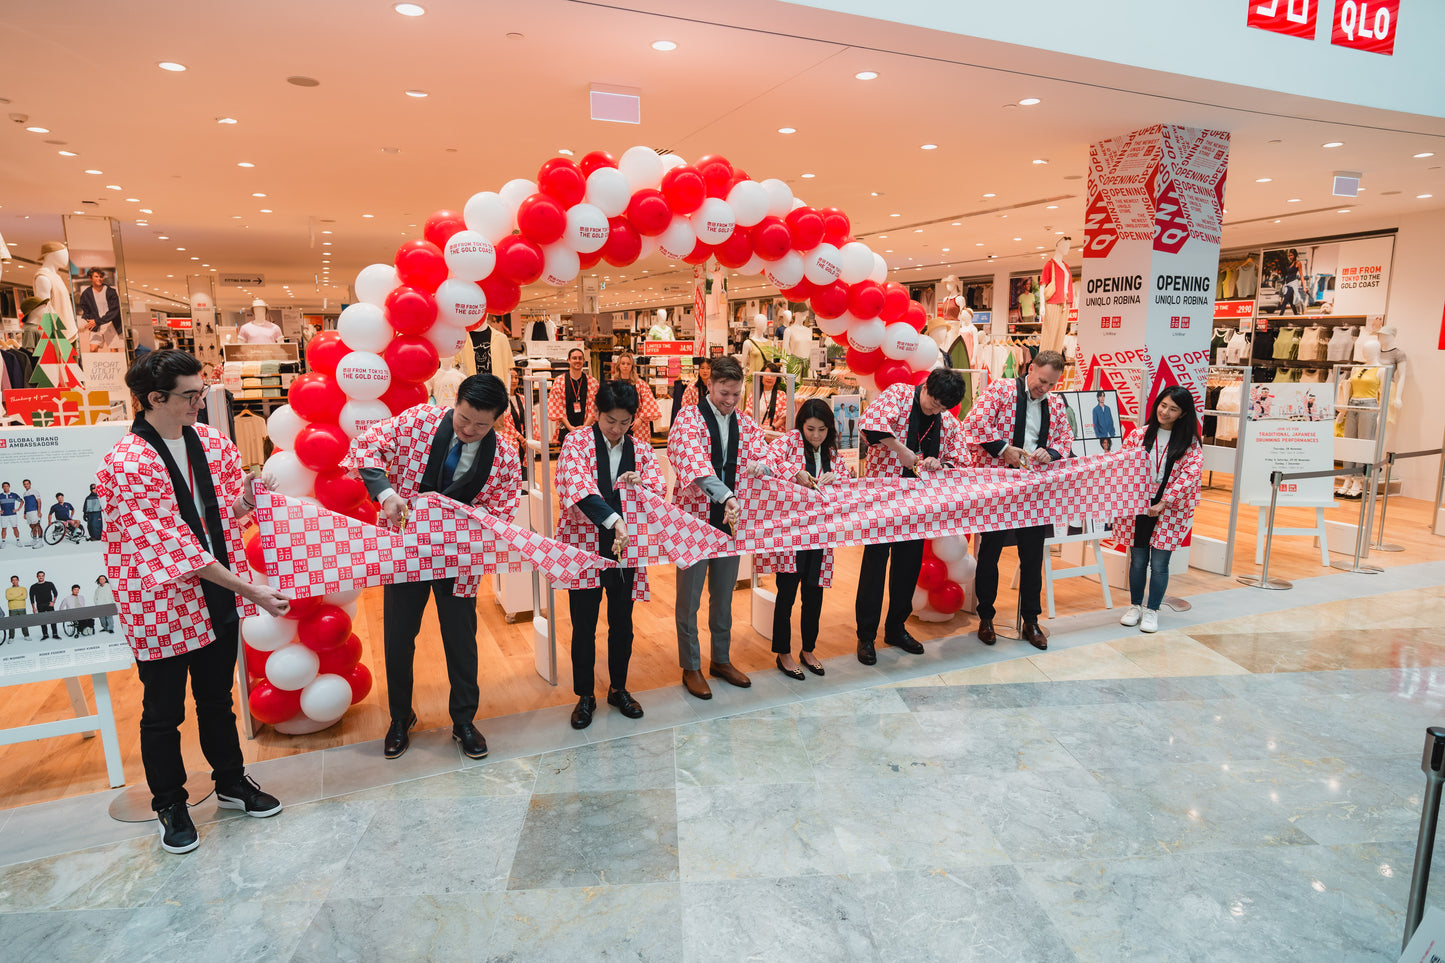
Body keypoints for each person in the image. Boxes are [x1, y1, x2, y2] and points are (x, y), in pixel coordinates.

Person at [96, 350, 292, 854]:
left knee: (216, 699)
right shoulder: (127, 463)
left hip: (216, 594)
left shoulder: (211, 441)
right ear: (153, 399)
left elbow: (225, 514)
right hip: (160, 603)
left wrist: (249, 499)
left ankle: (230, 780)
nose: (199, 403)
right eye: (190, 395)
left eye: (200, 393)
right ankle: (170, 803)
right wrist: (252, 591)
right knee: (162, 710)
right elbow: (175, 546)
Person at [351, 373, 520, 761]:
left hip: (459, 557)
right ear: (454, 402)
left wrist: (474, 521)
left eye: (482, 424)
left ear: (497, 420)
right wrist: (386, 493)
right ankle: (400, 717)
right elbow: (365, 447)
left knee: (461, 639)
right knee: (398, 637)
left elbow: (504, 510)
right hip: (406, 549)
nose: (469, 430)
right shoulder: (418, 420)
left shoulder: (507, 456)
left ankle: (464, 720)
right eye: (463, 419)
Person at [555, 380, 666, 729]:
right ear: (596, 413)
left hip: (626, 550)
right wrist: (614, 517)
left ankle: (619, 687)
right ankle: (585, 695)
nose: (617, 429)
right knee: (583, 624)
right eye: (609, 421)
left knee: (622, 623)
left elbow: (657, 490)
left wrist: (640, 486)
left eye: (624, 422)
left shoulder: (642, 449)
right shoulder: (576, 442)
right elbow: (576, 488)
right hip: (585, 545)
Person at [667, 356, 770, 700]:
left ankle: (721, 659)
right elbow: (692, 462)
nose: (729, 400)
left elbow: (764, 454)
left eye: (736, 394)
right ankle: (691, 665)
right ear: (709, 385)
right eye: (724, 392)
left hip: (730, 522)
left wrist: (771, 468)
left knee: (724, 597)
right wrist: (725, 495)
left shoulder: (744, 421)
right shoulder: (688, 418)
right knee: (689, 600)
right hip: (695, 521)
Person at [961, 350, 1074, 651]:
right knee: (990, 554)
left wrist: (1050, 453)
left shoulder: (1056, 403)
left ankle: (1031, 620)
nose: (1045, 389)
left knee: (1032, 556)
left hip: (1035, 491)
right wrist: (1002, 449)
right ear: (1031, 367)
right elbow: (974, 424)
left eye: (1052, 384)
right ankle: (986, 617)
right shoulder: (1001, 389)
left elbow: (1065, 440)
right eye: (1042, 381)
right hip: (998, 487)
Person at [854, 369, 969, 664]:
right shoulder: (898, 395)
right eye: (933, 401)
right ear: (926, 386)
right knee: (874, 568)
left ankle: (896, 628)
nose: (935, 409)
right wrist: (901, 449)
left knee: (907, 569)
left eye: (943, 407)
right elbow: (869, 426)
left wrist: (940, 462)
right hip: (883, 499)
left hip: (918, 506)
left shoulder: (947, 421)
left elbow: (961, 460)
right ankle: (866, 636)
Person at [763, 399, 850, 679]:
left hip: (822, 534)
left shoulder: (831, 452)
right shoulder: (789, 441)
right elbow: (766, 459)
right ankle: (783, 652)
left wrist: (836, 478)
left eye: (822, 430)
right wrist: (793, 472)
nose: (815, 435)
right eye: (810, 429)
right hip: (792, 533)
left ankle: (809, 649)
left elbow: (848, 479)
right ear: (801, 425)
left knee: (814, 594)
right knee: (786, 593)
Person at [1114, 387, 1203, 634]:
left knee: (1160, 563)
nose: (1165, 412)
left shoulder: (1190, 443)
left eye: (1173, 409)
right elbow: (1125, 466)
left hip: (1171, 508)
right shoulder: (1138, 435)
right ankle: (1135, 607)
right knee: (1138, 560)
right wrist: (1138, 499)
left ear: (1183, 414)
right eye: (1163, 405)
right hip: (1139, 505)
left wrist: (1163, 502)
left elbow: (1190, 475)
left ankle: (1152, 610)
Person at [546, 347, 597, 446]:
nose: (577, 361)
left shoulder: (593, 382)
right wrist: (570, 427)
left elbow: (594, 408)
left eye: (580, 358)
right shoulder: (559, 381)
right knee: (566, 460)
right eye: (574, 358)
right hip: (565, 428)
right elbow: (557, 408)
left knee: (586, 460)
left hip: (587, 430)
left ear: (583, 361)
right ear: (568, 360)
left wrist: (584, 427)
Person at [612, 350, 660, 443]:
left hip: (637, 426)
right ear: (619, 366)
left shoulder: (641, 384)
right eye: (623, 363)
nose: (625, 366)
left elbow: (650, 403)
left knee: (638, 453)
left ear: (632, 366)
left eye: (628, 364)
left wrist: (641, 419)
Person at [77, 267, 123, 351]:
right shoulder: (86, 294)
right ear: (90, 278)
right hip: (96, 324)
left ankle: (115, 364)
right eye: (96, 276)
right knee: (93, 349)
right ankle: (93, 364)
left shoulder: (111, 292)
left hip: (110, 324)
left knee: (114, 350)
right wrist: (88, 321)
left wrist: (97, 321)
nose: (99, 279)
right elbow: (85, 309)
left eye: (101, 276)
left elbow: (114, 311)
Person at [749, 362, 789, 432]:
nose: (769, 378)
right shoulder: (754, 394)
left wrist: (772, 427)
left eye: (773, 375)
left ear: (777, 378)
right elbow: (749, 413)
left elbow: (784, 416)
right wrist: (759, 426)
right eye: (766, 375)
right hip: (756, 433)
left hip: (775, 435)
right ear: (761, 376)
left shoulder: (782, 395)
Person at [30, 571, 58, 640]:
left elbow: (55, 593)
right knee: (42, 620)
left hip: (49, 604)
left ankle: (55, 634)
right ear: (37, 577)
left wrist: (53, 602)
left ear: (44, 576)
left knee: (52, 619)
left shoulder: (49, 584)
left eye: (42, 575)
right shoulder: (33, 586)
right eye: (39, 576)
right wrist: (33, 608)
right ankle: (45, 635)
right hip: (40, 605)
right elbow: (31, 597)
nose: (41, 577)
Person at [0, 482, 22, 547]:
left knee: (15, 528)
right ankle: (3, 542)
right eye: (4, 486)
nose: (5, 487)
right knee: (4, 528)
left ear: (9, 487)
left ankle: (18, 541)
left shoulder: (14, 495)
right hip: (4, 515)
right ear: (2, 487)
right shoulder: (0, 495)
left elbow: (22, 501)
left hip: (13, 514)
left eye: (7, 486)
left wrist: (18, 509)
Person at [6, 575, 27, 640]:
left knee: (24, 622)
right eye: (13, 580)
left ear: (18, 580)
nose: (14, 581)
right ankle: (11, 637)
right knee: (11, 623)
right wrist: (19, 596)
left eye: (16, 580)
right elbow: (8, 597)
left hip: (22, 607)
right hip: (12, 608)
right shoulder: (8, 590)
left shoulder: (23, 589)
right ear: (11, 581)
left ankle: (26, 635)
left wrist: (13, 597)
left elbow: (24, 597)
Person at [21, 480, 42, 547]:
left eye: (27, 484)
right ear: (23, 485)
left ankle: (40, 542)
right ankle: (34, 540)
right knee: (32, 526)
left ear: (30, 484)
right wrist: (24, 513)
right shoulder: (24, 493)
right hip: (28, 512)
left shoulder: (34, 491)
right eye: (24, 484)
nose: (26, 485)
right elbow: (25, 504)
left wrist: (39, 512)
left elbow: (39, 502)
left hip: (34, 511)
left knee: (37, 525)